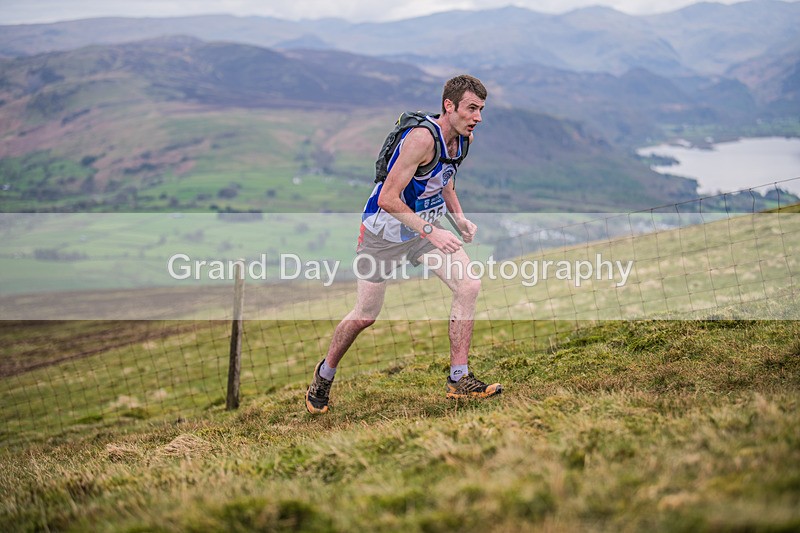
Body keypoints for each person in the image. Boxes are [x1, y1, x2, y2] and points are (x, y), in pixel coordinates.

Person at [305, 74, 502, 414]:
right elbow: (387, 198)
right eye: (471, 108)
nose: (478, 117)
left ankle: (459, 379)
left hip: (422, 230)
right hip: (384, 234)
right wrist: (433, 231)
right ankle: (324, 375)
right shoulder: (421, 139)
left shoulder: (462, 139)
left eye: (481, 109)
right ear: (449, 106)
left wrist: (459, 219)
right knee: (366, 316)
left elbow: (445, 181)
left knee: (468, 285)